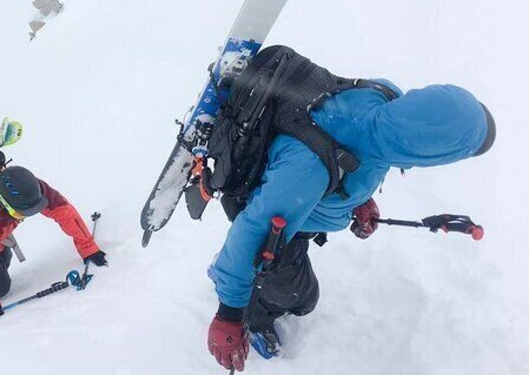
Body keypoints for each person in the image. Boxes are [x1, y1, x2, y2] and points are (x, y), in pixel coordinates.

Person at [205, 56, 496, 372]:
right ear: (430, 151)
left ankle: (234, 272)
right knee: (299, 298)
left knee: (281, 268)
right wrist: (228, 316)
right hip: (277, 224)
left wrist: (357, 201)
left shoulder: (383, 100)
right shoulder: (310, 169)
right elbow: (255, 228)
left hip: (301, 204)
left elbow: (358, 149)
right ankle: (252, 310)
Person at [0, 156, 107, 324]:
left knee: (4, 260)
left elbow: (62, 210)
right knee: (2, 288)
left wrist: (88, 247)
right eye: (20, 214)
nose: (24, 217)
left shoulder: (28, 187)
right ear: (4, 205)